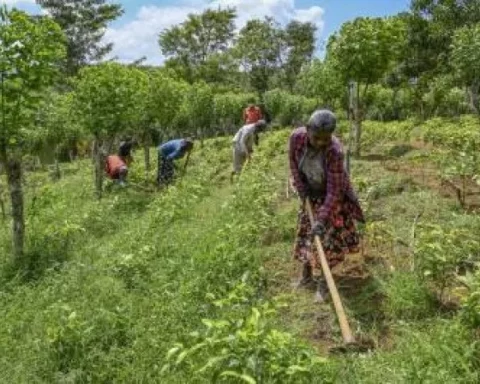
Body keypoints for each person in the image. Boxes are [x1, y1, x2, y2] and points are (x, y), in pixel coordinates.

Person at [289, 109, 365, 302]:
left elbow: (334, 190)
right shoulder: (296, 138)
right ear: (307, 130)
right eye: (316, 138)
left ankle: (324, 283)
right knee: (306, 234)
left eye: (325, 139)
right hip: (310, 192)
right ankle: (306, 277)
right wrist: (301, 188)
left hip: (331, 196)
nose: (321, 143)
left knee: (325, 238)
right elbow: (293, 164)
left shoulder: (335, 151)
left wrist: (322, 219)